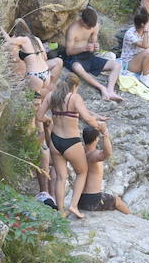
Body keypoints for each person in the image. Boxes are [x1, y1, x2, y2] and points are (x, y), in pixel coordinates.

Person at [45, 71, 108, 219]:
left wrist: (49, 122)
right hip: (70, 142)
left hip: (55, 141)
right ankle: (73, 206)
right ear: (74, 86)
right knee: (82, 172)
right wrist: (99, 126)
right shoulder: (74, 98)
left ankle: (60, 211)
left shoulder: (51, 97)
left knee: (61, 177)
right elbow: (87, 118)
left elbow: (40, 116)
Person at [59, 7, 123, 103]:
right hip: (75, 57)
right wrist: (84, 48)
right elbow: (69, 52)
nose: (90, 28)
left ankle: (110, 90)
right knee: (77, 67)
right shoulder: (72, 29)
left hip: (88, 56)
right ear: (82, 20)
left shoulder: (94, 26)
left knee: (116, 65)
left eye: (92, 27)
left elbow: (94, 42)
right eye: (88, 26)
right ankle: (101, 88)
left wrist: (96, 46)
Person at [76, 123, 131, 214]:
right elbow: (108, 153)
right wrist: (105, 133)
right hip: (93, 200)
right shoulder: (94, 155)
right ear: (96, 139)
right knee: (117, 201)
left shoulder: (80, 152)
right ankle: (132, 217)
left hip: (80, 199)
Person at [3, 19, 62, 94]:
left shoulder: (20, 41)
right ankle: (49, 90)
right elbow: (45, 57)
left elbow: (9, 41)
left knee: (32, 99)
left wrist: (1, 28)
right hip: (45, 73)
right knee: (40, 96)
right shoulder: (36, 39)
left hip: (33, 75)